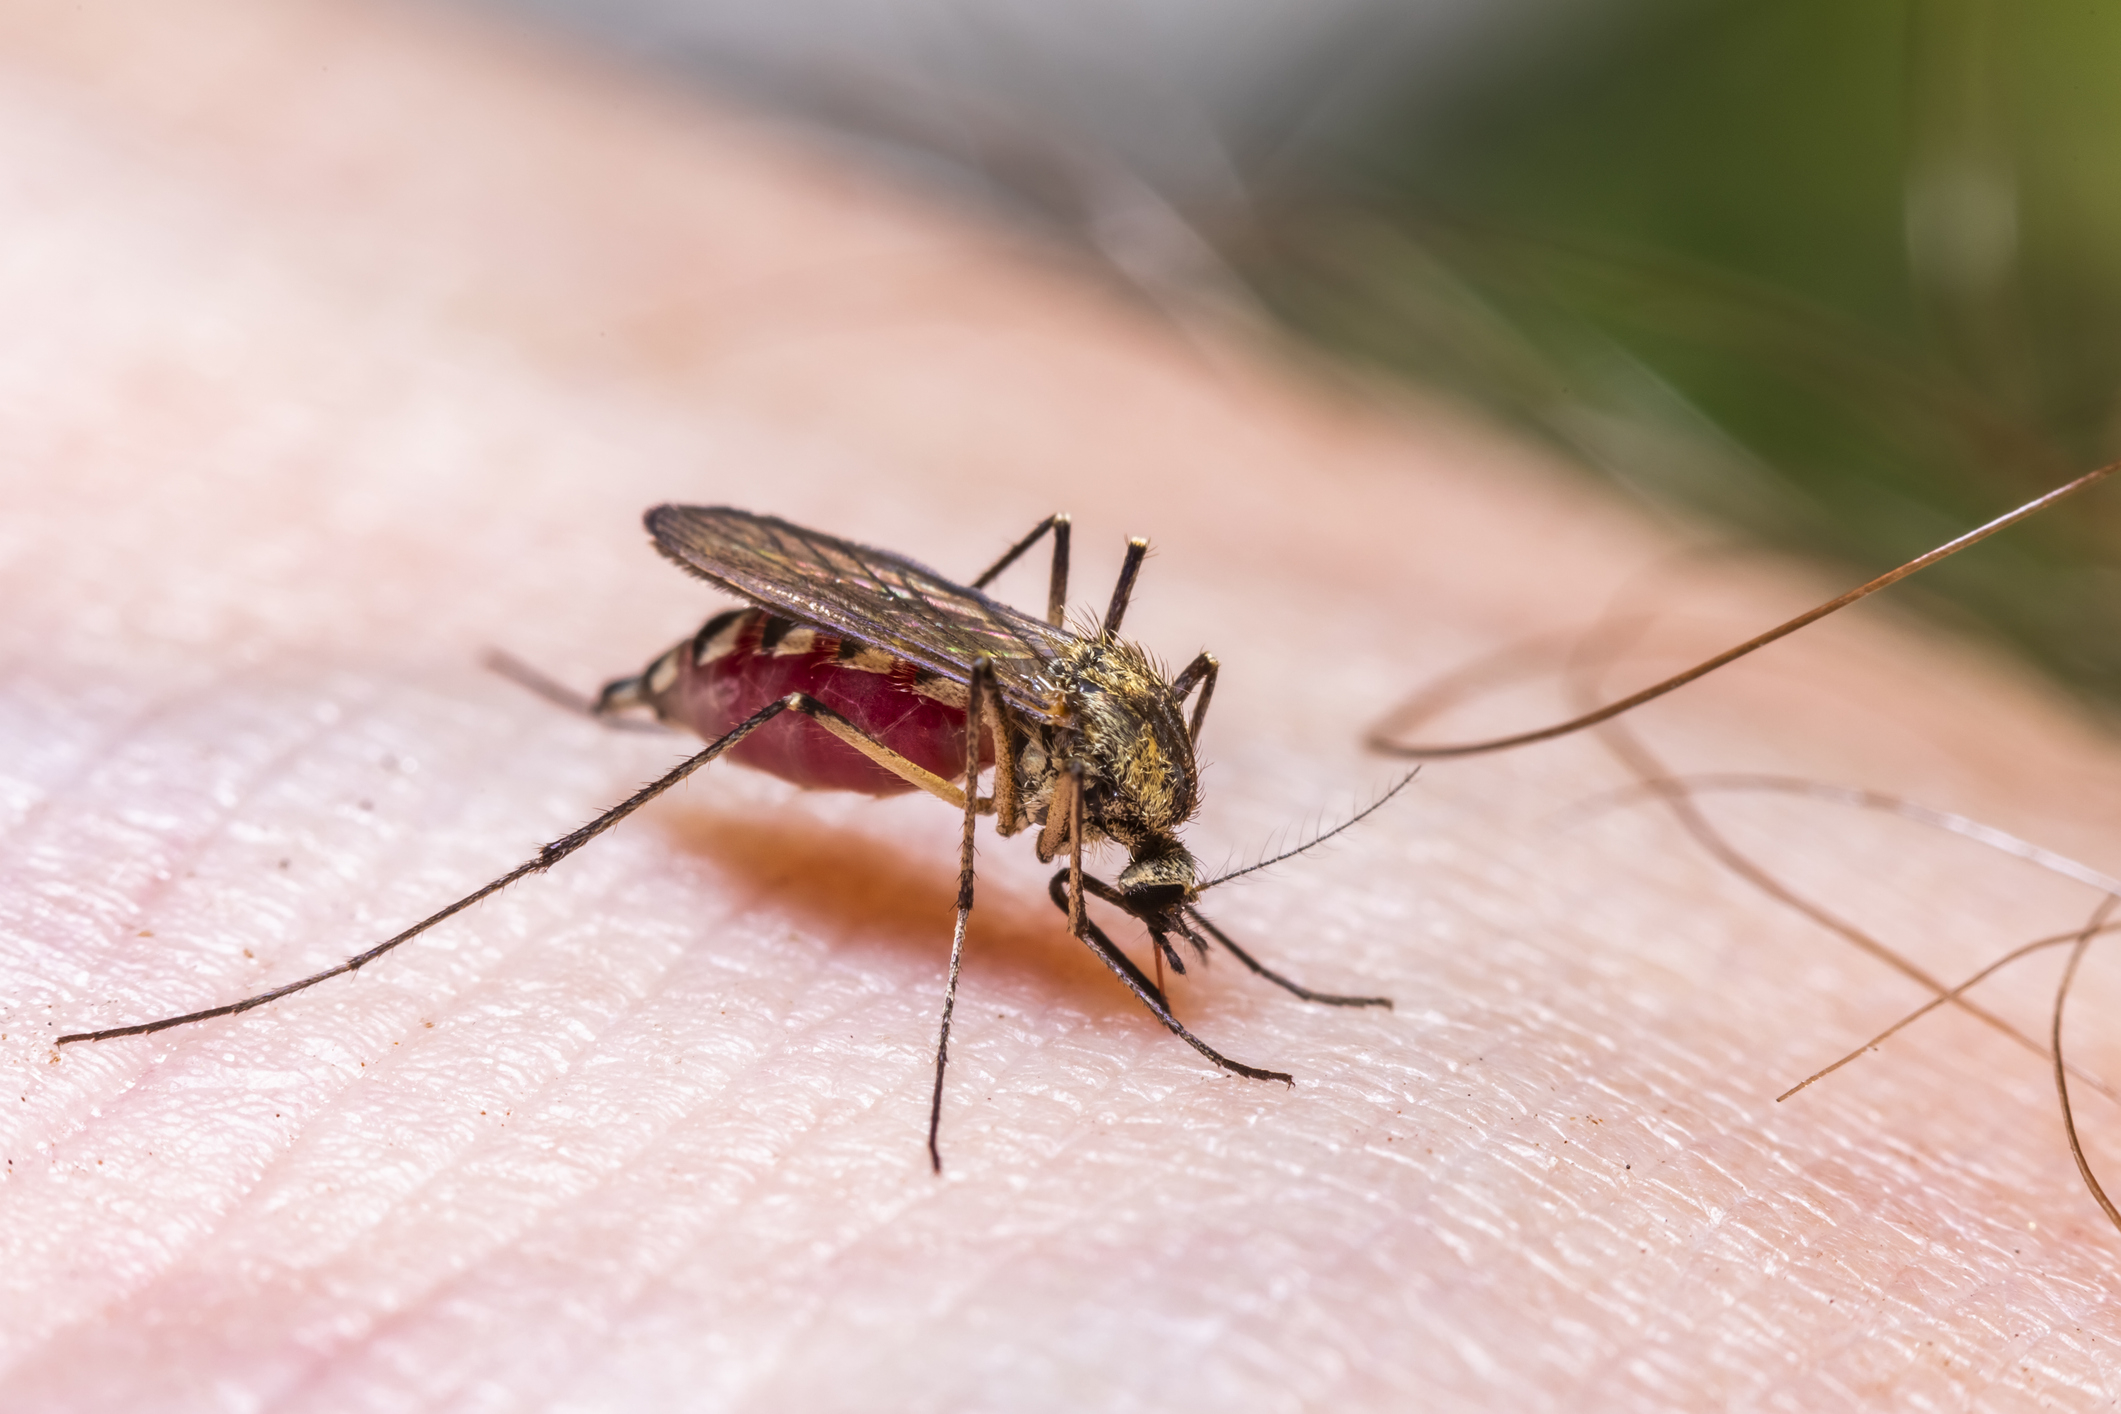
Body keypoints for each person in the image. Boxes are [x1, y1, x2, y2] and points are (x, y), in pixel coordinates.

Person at [4, 0, 2115, 1405]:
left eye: (1159, 899)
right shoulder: (1076, 787)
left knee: (1061, 643)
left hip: (986, 681)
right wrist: (971, 904)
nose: (1147, 905)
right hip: (825, 661)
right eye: (1158, 895)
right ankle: (494, 844)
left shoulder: (1128, 795)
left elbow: (1112, 767)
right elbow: (1023, 787)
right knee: (975, 706)